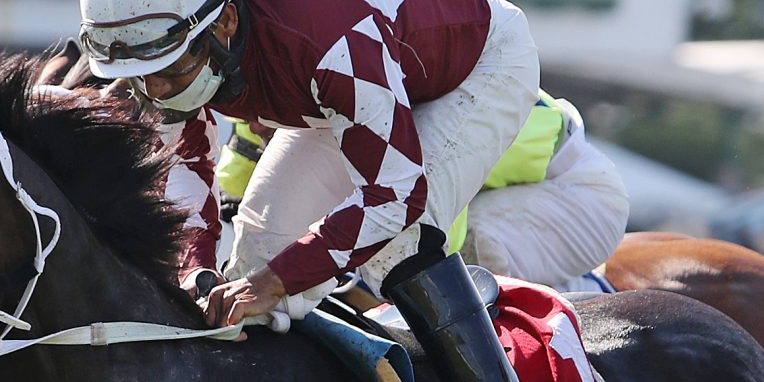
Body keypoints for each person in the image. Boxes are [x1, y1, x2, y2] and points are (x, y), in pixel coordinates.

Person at [75, 0, 573, 382]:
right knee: (256, 243)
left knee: (398, 240)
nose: (158, 94)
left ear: (226, 23)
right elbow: (185, 175)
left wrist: (281, 281)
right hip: (356, 76)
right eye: (141, 78)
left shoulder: (330, 40)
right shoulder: (182, 31)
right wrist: (198, 272)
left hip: (473, 68)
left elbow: (395, 196)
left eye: (171, 73)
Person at [214, 90, 630, 295]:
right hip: (504, 191)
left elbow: (437, 229)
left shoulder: (385, 106)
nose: (263, 126)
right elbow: (237, 193)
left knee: (471, 255)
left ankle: (582, 299)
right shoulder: (281, 99)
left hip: (578, 193)